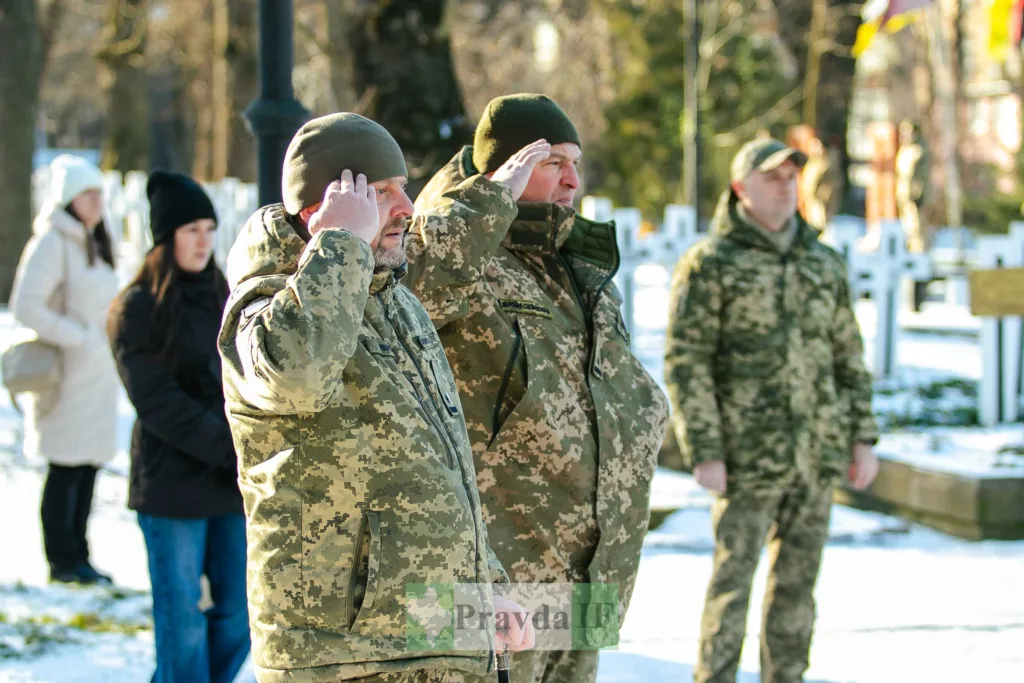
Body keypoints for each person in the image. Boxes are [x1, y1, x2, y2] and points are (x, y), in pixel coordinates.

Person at [217, 113, 533, 683]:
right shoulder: (263, 303)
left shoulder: (395, 301)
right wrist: (339, 243)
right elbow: (296, 374)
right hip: (345, 655)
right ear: (324, 208)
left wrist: (488, 591)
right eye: (382, 193)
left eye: (403, 188)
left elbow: (442, 466)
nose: (407, 207)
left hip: (434, 640)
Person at [406, 93, 669, 683]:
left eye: (575, 163)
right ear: (505, 168)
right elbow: (407, 294)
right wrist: (487, 203)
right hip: (488, 574)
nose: (572, 181)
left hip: (582, 567)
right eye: (552, 163)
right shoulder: (450, 246)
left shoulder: (573, 261)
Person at [664, 138, 880, 683]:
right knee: (731, 586)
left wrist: (863, 439)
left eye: (791, 177)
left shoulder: (822, 262)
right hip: (744, 456)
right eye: (772, 178)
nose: (786, 187)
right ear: (741, 189)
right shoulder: (710, 264)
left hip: (814, 453)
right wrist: (706, 450)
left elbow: (847, 356)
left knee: (798, 590)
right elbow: (688, 363)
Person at [107, 170, 250, 683]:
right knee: (182, 621)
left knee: (239, 611)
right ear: (165, 238)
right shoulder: (136, 308)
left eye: (209, 229)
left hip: (227, 484)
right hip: (170, 488)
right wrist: (228, 445)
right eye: (191, 230)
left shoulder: (224, 295)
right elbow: (157, 401)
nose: (203, 241)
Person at [10, 154, 120, 585]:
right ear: (70, 199)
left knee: (88, 466)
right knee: (65, 469)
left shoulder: (94, 240)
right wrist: (78, 335)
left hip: (96, 378)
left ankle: (81, 554)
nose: (97, 202)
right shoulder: (52, 242)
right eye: (89, 194)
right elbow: (26, 305)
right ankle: (61, 559)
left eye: (99, 193)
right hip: (66, 376)